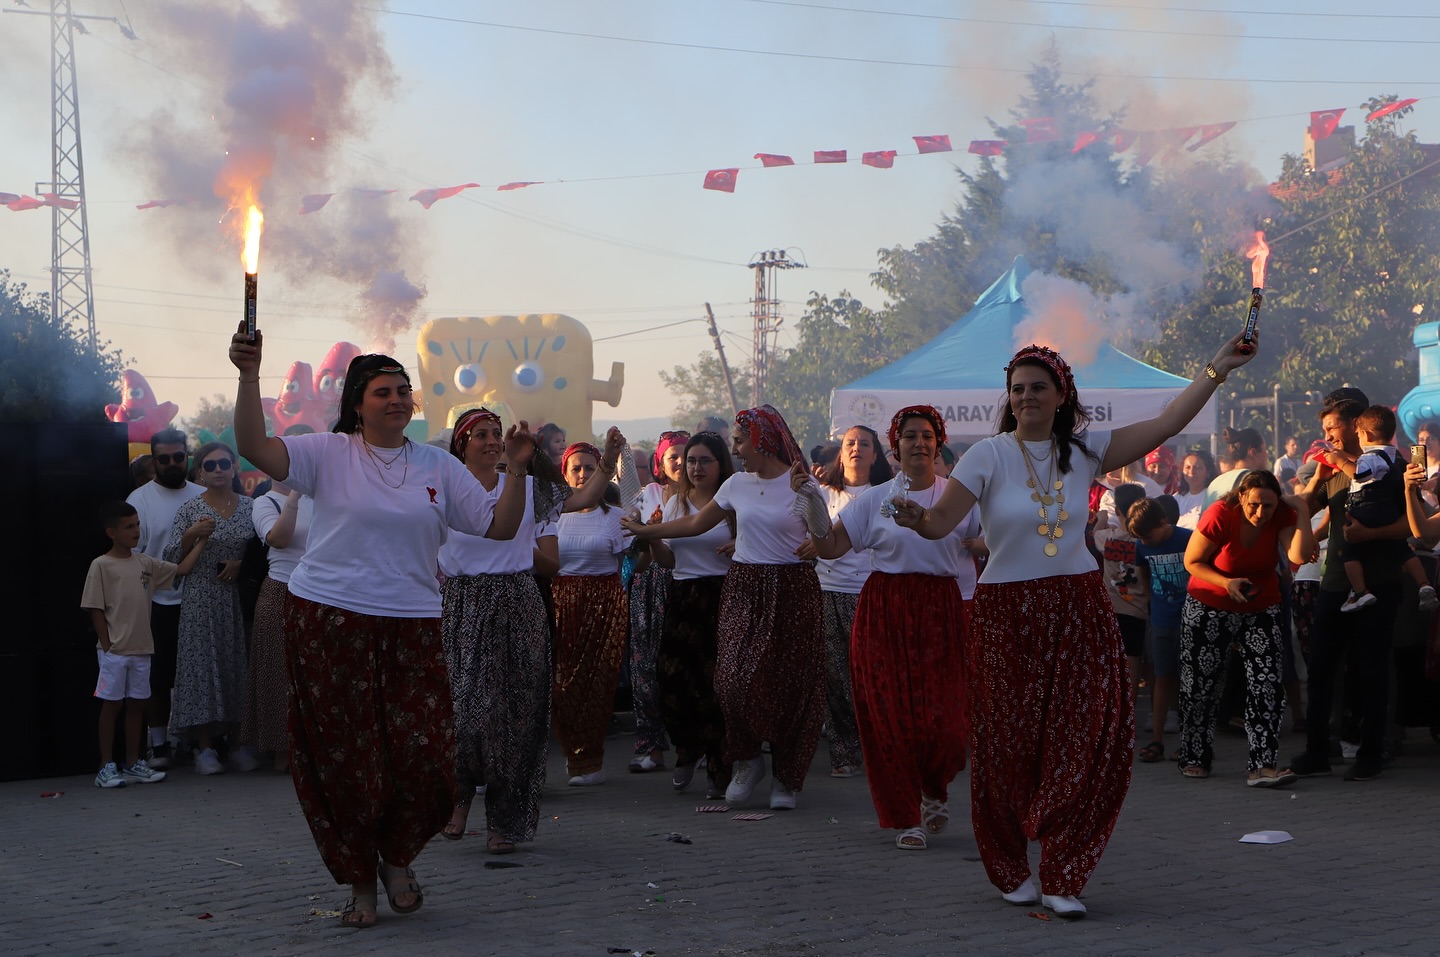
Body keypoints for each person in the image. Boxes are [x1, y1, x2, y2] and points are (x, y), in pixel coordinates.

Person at [889, 332, 1255, 918]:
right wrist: (916, 518)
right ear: (1008, 398)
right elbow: (939, 523)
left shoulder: (1085, 451)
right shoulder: (987, 455)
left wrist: (1216, 369)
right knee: (1006, 746)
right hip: (1004, 611)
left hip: (1078, 606)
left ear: (1061, 394)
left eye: (1039, 387)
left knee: (1086, 740)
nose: (1027, 396)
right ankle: (1010, 866)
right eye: (1018, 389)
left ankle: (1063, 871)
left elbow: (1164, 424)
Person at [229, 326, 534, 928]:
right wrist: (247, 375)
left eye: (403, 390)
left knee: (421, 756)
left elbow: (498, 528)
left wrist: (517, 471)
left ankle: (398, 857)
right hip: (328, 619)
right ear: (357, 403)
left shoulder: (438, 466)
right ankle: (363, 882)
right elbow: (254, 449)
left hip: (413, 622)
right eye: (382, 392)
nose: (396, 400)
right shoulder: (327, 451)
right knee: (348, 759)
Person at [624, 405, 826, 813]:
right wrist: (648, 531)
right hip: (745, 587)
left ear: (763, 440)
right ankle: (748, 759)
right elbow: (695, 524)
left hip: (793, 589)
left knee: (790, 686)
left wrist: (813, 513)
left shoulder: (801, 484)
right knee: (731, 682)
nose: (735, 447)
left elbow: (824, 539)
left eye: (740, 440)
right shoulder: (736, 486)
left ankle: (786, 776)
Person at [439, 409, 615, 850]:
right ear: (462, 445)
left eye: (495, 434)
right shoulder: (443, 489)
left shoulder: (528, 486)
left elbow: (581, 499)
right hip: (462, 603)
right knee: (466, 712)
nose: (491, 441)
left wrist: (609, 461)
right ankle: (458, 797)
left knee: (515, 717)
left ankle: (504, 821)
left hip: (517, 601)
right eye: (480, 434)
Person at [811, 406, 976, 850]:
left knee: (947, 723)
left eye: (927, 436)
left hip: (942, 610)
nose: (918, 443)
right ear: (896, 446)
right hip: (885, 608)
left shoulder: (958, 496)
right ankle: (906, 817)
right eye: (909, 437)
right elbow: (829, 547)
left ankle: (934, 788)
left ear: (937, 443)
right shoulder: (873, 499)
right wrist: (810, 505)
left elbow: (993, 538)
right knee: (891, 719)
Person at [1289, 390, 1411, 783]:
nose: (1329, 437)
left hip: (1380, 582)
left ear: (1358, 425)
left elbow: (1412, 526)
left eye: (1333, 428)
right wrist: (1313, 487)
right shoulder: (1331, 469)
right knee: (1322, 669)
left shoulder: (1391, 466)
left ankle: (1372, 753)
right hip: (1336, 583)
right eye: (1324, 430)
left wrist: (1368, 534)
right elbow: (1306, 514)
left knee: (1371, 671)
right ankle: (1317, 752)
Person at [1177, 471, 1316, 787]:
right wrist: (1227, 583)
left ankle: (1262, 765)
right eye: (1254, 504)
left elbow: (1297, 555)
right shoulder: (1220, 514)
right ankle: (1195, 756)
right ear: (1241, 497)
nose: (1260, 513)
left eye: (1268, 505)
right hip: (1210, 602)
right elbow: (1193, 560)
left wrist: (1302, 510)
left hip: (1260, 604)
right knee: (1201, 684)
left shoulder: (1281, 513)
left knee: (1267, 683)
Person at [83, 501, 205, 788]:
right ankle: (105, 765)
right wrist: (107, 644)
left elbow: (182, 569)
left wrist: (201, 541)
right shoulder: (101, 565)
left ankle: (133, 762)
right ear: (112, 532)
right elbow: (94, 607)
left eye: (137, 525)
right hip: (115, 651)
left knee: (137, 706)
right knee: (112, 706)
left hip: (142, 649)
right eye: (129, 527)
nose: (136, 531)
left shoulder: (145, 563)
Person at [647, 431, 737, 798]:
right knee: (672, 680)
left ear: (721, 465)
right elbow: (668, 561)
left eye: (705, 461)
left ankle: (720, 766)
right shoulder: (675, 503)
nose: (696, 468)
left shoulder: (733, 503)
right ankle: (687, 750)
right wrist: (650, 536)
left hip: (724, 596)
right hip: (683, 596)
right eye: (691, 461)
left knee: (717, 687)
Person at [164, 441, 255, 775]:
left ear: (234, 467)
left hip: (237, 601)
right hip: (201, 599)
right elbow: (171, 557)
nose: (218, 470)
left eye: (224, 464)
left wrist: (241, 564)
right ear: (200, 472)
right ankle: (204, 749)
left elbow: (266, 554)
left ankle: (239, 743)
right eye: (211, 465)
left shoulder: (251, 507)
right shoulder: (189, 510)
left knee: (238, 668)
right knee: (201, 670)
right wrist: (192, 533)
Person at [811, 424, 893, 779]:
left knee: (869, 676)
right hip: (826, 591)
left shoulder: (886, 495)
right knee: (833, 676)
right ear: (840, 453)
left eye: (865, 443)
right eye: (850, 443)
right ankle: (844, 752)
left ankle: (877, 746)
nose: (857, 448)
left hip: (869, 593)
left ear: (876, 454)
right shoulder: (821, 492)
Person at [552, 440, 632, 787]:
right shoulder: (552, 515)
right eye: (576, 468)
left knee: (597, 682)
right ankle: (572, 753)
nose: (583, 474)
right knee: (561, 685)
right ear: (565, 474)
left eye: (589, 467)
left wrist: (651, 533)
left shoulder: (616, 518)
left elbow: (634, 562)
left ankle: (592, 758)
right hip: (560, 601)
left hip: (604, 601)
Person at [126, 427, 204, 770]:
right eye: (164, 458)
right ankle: (159, 744)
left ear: (186, 456)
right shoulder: (139, 500)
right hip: (156, 603)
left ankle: (197, 741)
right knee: (156, 677)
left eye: (178, 456)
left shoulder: (205, 494)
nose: (173, 463)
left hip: (201, 601)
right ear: (154, 461)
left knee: (197, 675)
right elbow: (132, 556)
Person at [1330, 406, 1437, 613]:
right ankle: (1423, 583)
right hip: (1388, 511)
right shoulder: (1392, 456)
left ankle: (1360, 592)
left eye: (1359, 434)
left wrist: (1341, 461)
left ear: (1367, 434)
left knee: (1349, 552)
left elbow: (1360, 475)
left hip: (1366, 508)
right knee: (1401, 549)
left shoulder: (1370, 455)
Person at [627, 431, 689, 773]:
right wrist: (645, 534)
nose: (681, 463)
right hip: (649, 586)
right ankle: (650, 746)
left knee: (685, 667)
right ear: (660, 464)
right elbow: (635, 555)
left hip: (687, 583)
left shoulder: (707, 499)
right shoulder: (646, 495)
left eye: (687, 455)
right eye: (673, 457)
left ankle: (691, 744)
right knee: (644, 667)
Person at [242, 481, 312, 772]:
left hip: (317, 592)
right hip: (280, 591)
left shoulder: (321, 499)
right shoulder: (264, 502)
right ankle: (281, 752)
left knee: (312, 674)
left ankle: (311, 751)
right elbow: (278, 539)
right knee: (277, 673)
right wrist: (294, 495)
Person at [1128, 498, 1192, 762]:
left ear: (1164, 523)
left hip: (1190, 619)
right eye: (1139, 538)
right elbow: (1144, 574)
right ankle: (1157, 740)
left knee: (1191, 681)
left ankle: (1190, 742)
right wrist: (1152, 602)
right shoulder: (1142, 548)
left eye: (1147, 535)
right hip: (1162, 620)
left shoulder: (1189, 539)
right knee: (1162, 676)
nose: (1144, 542)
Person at [1093, 483, 1150, 715]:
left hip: (1111, 606)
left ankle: (1108, 708)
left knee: (1109, 659)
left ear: (1118, 511)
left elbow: (1094, 531)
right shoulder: (1146, 542)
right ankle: (1129, 709)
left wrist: (1100, 517)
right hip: (1137, 608)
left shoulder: (1106, 538)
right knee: (1133, 658)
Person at [1203, 427, 1268, 508]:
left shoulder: (1215, 483)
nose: (1267, 455)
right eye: (1265, 450)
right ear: (1253, 453)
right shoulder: (1258, 481)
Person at [1173, 449, 1216, 529]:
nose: (1192, 471)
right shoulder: (1176, 498)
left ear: (1208, 472)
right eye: (1187, 467)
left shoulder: (1212, 497)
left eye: (1197, 467)